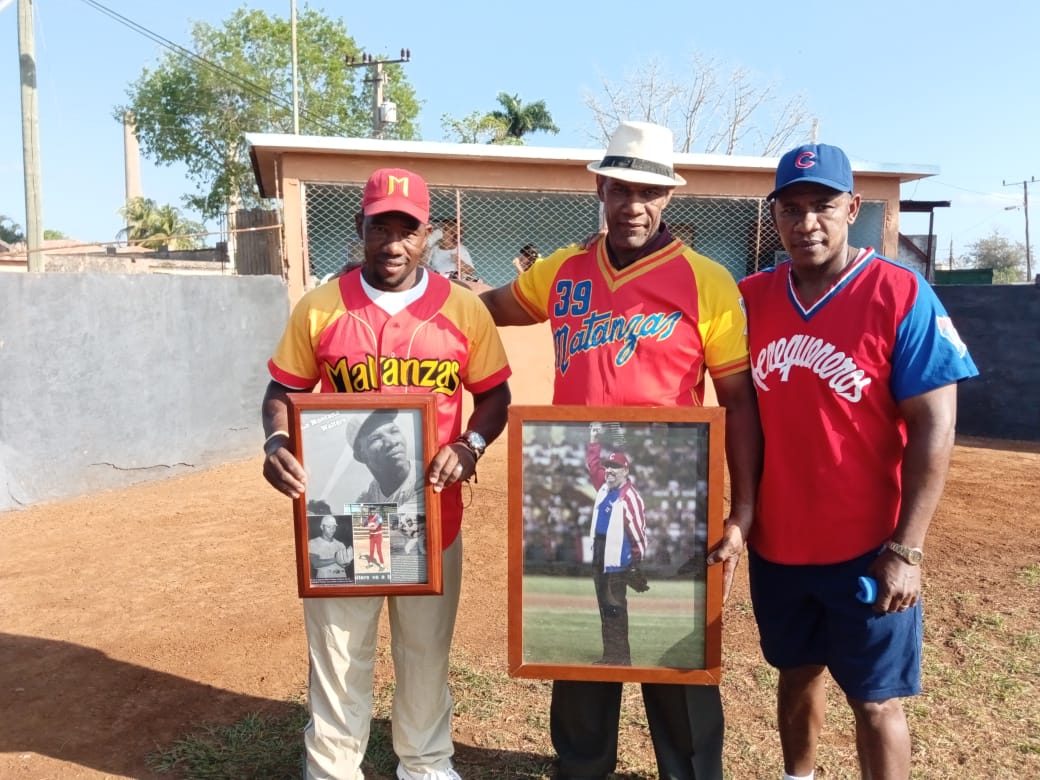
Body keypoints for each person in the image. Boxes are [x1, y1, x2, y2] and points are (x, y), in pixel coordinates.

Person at [480, 120, 762, 780]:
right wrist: (421, 292)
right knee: (583, 657)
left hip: (669, 494)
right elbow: (490, 307)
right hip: (577, 493)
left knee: (676, 656)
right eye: (621, 189)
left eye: (649, 192)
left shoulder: (706, 281)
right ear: (600, 190)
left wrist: (742, 511)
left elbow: (739, 402)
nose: (634, 205)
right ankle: (581, 770)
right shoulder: (563, 270)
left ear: (669, 198)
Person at [261, 166, 512, 780]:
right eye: (381, 228)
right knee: (340, 651)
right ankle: (332, 767)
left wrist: (472, 444)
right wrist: (274, 441)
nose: (394, 244)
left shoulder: (462, 310)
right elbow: (282, 388)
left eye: (409, 229)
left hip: (433, 515)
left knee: (425, 649)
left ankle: (425, 763)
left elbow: (495, 395)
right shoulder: (321, 308)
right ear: (361, 228)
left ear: (429, 234)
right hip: (348, 516)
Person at [738, 143, 978, 780]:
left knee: (875, 700)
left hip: (868, 545)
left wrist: (908, 549)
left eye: (822, 206)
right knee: (795, 674)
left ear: (853, 207)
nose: (806, 223)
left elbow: (937, 424)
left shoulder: (900, 292)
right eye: (791, 209)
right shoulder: (751, 297)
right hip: (778, 543)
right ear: (776, 216)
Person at [586, 425, 648, 666]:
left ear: (626, 470)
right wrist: (594, 440)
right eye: (608, 466)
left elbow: (637, 532)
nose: (609, 471)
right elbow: (593, 466)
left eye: (615, 467)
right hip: (601, 552)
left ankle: (620, 657)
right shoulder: (605, 487)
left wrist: (635, 563)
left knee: (615, 607)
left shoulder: (629, 496)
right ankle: (610, 655)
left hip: (617, 559)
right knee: (605, 606)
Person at [309, 514, 354, 581]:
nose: (332, 530)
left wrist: (347, 560)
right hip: (324, 582)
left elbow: (344, 565)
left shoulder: (340, 544)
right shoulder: (313, 542)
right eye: (329, 527)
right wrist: (337, 559)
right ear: (322, 527)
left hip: (342, 580)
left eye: (334, 527)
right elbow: (315, 563)